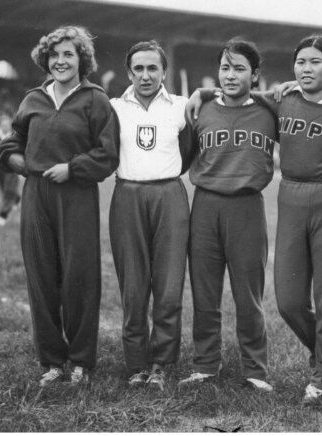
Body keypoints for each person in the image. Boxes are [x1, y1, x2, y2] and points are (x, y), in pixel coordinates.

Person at [189, 35, 322, 405]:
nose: (307, 68)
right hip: (287, 197)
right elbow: (232, 91)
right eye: (301, 62)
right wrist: (200, 94)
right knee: (289, 301)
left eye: (315, 62)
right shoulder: (281, 100)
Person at [0, 26, 119, 387]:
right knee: (41, 276)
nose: (60, 61)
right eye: (54, 55)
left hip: (76, 194)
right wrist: (25, 166)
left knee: (79, 278)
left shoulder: (96, 100)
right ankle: (51, 360)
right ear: (45, 60)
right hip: (37, 195)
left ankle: (80, 359)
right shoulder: (33, 98)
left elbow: (107, 155)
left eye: (68, 54)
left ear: (82, 59)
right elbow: (9, 146)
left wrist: (74, 169)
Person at [178, 39, 276, 392]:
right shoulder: (200, 109)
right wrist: (203, 92)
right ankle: (205, 364)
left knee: (248, 296)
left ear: (255, 74)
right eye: (225, 68)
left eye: (239, 68)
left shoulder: (270, 110)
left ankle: (255, 369)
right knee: (204, 293)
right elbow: (184, 156)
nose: (230, 75)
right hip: (205, 205)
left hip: (247, 206)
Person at [108, 40, 193, 390]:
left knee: (169, 286)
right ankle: (136, 364)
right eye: (138, 69)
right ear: (129, 72)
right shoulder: (113, 107)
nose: (145, 75)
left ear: (163, 71)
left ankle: (161, 363)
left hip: (169, 195)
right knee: (133, 286)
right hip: (127, 195)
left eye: (152, 68)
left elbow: (189, 151)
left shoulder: (182, 106)